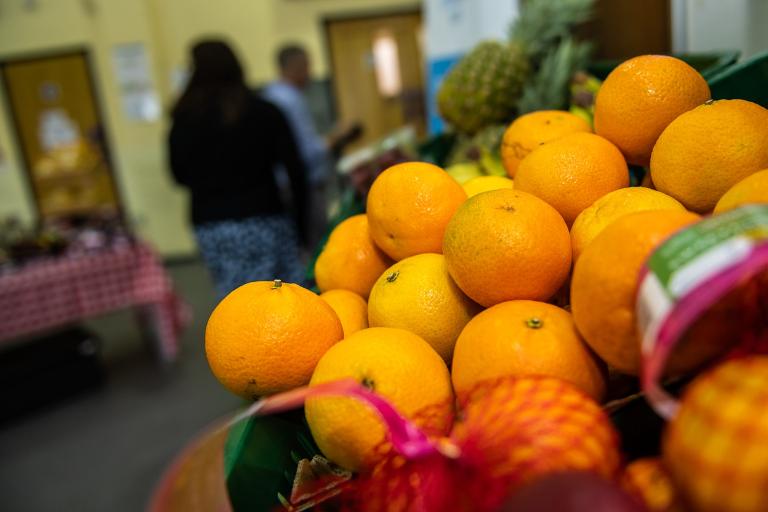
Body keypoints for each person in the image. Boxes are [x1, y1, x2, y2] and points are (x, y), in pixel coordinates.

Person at [168, 40, 308, 297]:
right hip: (264, 217)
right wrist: (302, 230)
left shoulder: (184, 119)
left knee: (235, 302)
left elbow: (178, 175)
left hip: (211, 225)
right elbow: (296, 172)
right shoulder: (264, 111)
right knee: (283, 298)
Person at [262, 44, 361, 250]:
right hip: (301, 183)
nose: (310, 73)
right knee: (315, 245)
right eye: (307, 66)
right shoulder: (289, 99)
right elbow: (305, 150)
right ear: (296, 67)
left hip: (283, 184)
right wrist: (337, 136)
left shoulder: (270, 94)